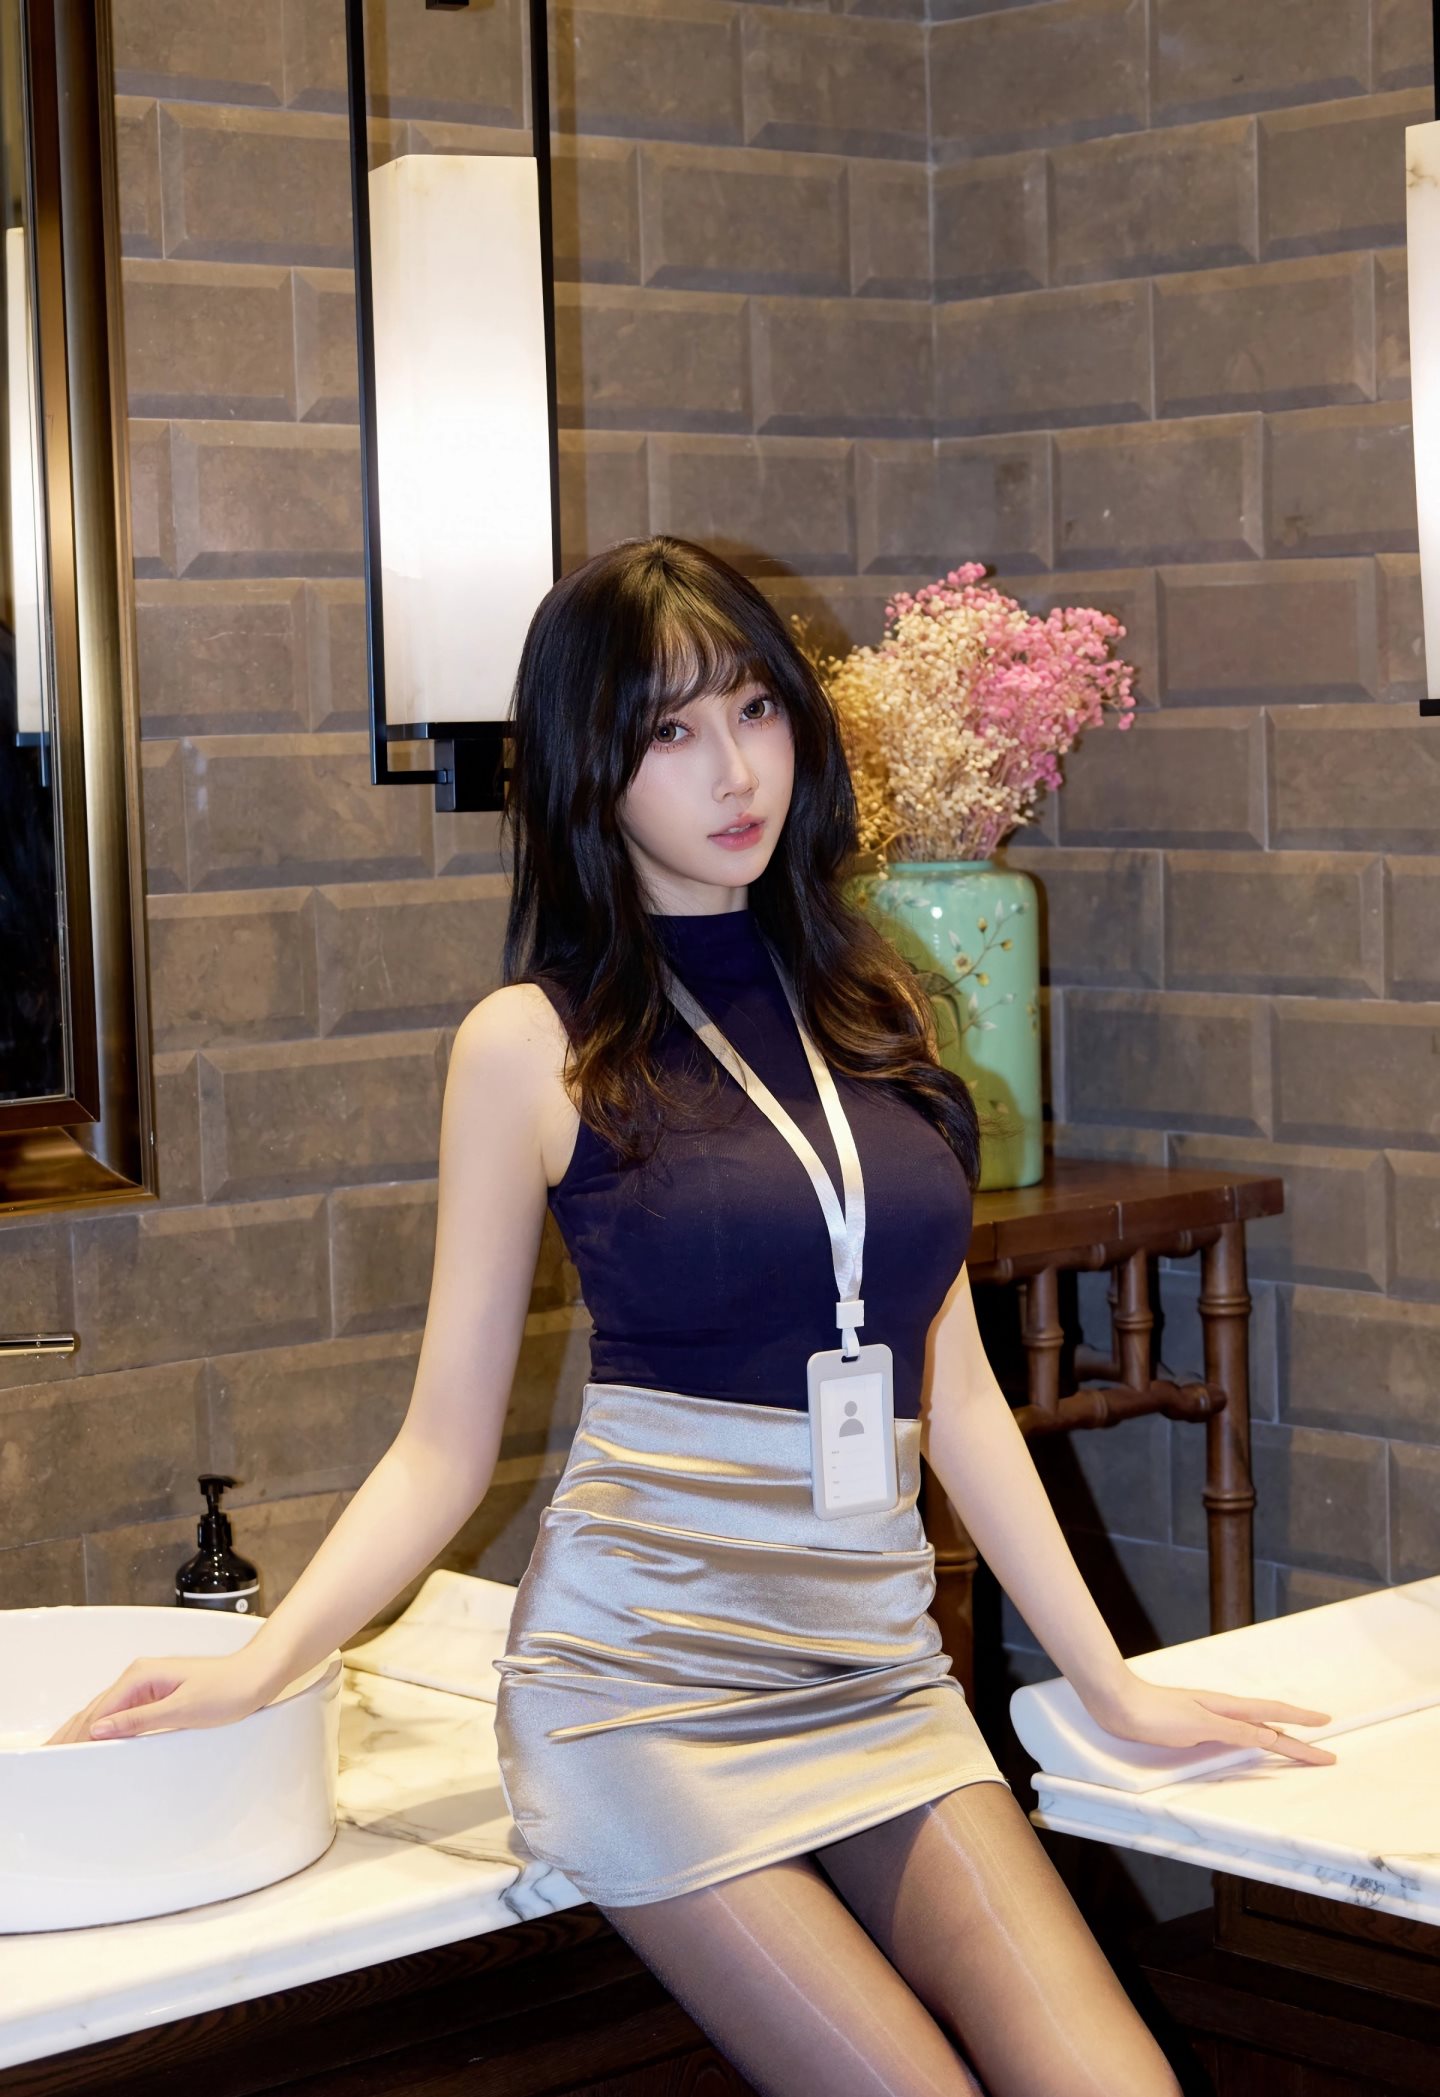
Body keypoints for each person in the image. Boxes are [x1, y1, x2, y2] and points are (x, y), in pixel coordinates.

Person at [49, 536, 1334, 2097]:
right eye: (671, 730)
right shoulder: (530, 1046)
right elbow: (443, 1446)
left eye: (755, 708)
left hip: (874, 1670)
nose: (734, 768)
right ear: (589, 771)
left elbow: (954, 1389)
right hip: (643, 1694)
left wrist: (1112, 1681)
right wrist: (268, 1662)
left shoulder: (873, 1002)